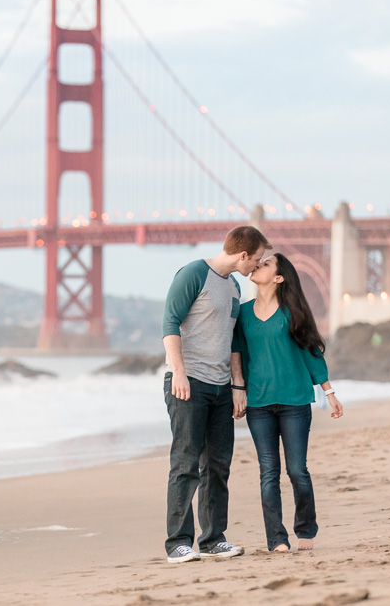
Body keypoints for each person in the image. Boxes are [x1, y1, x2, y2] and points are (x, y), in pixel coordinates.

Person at [162, 225, 271, 563]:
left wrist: (238, 385)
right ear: (242, 254)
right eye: (255, 260)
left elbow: (233, 341)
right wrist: (179, 372)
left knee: (218, 466)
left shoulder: (235, 287)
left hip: (222, 387)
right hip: (188, 383)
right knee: (186, 463)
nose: (256, 266)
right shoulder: (193, 274)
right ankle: (178, 543)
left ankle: (213, 539)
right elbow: (169, 323)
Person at [230, 253, 344, 553]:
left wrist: (329, 392)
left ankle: (306, 529)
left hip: (295, 402)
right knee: (268, 472)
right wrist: (237, 388)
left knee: (297, 470)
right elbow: (237, 353)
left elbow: (311, 352)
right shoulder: (242, 314)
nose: (258, 265)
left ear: (278, 278)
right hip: (259, 404)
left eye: (266, 264)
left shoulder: (293, 312)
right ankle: (276, 539)